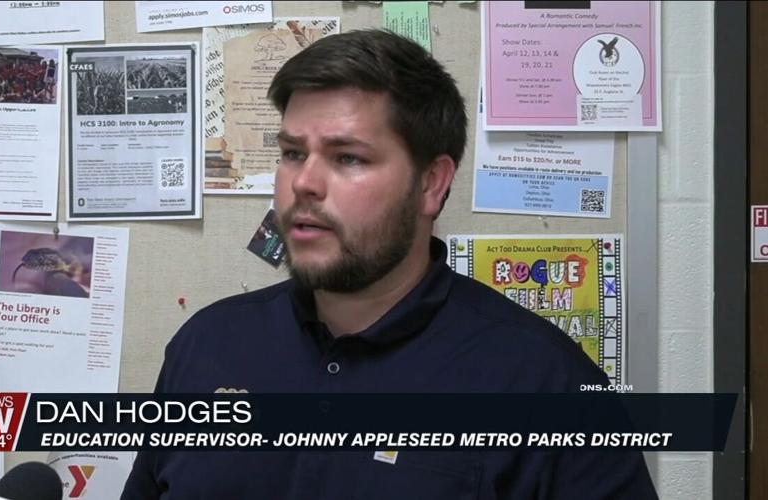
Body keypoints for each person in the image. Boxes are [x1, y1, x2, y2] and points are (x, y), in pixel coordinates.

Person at [121, 29, 657, 499]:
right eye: (291, 153)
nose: (303, 182)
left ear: (431, 183)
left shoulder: (545, 386)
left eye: (348, 157)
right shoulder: (208, 345)